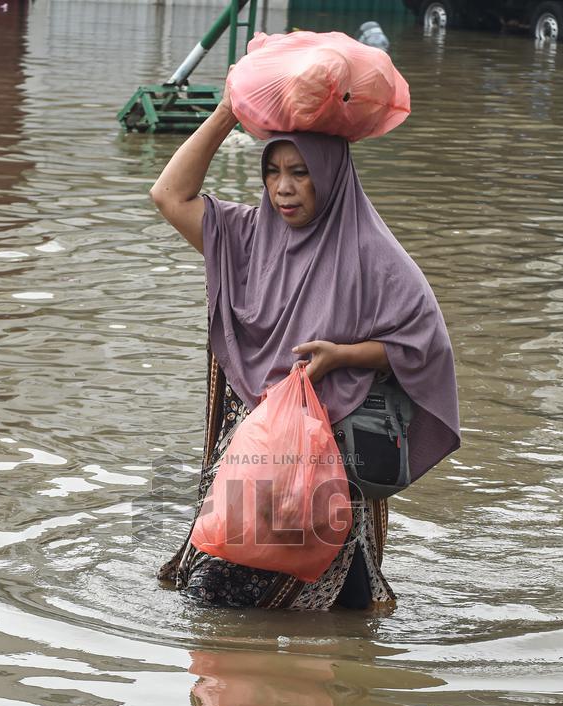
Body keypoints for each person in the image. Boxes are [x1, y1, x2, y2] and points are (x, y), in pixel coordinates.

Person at [151, 84, 460, 611]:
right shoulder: (246, 236)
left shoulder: (371, 252)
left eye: (301, 172)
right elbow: (168, 195)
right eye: (273, 172)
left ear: (331, 176)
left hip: (331, 451)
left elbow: (423, 344)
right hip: (254, 450)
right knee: (223, 590)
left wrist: (343, 356)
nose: (284, 189)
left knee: (336, 593)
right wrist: (229, 111)